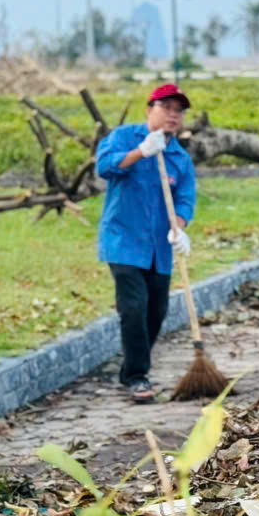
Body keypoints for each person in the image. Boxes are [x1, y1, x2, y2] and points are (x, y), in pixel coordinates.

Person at [95, 83, 196, 404]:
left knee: (156, 310)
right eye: (166, 107)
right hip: (123, 239)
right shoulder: (123, 137)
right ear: (149, 109)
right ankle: (137, 376)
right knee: (134, 306)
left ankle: (131, 369)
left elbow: (185, 199)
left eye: (178, 110)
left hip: (159, 248)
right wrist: (141, 151)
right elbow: (104, 167)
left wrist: (179, 227)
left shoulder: (179, 158)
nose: (173, 115)